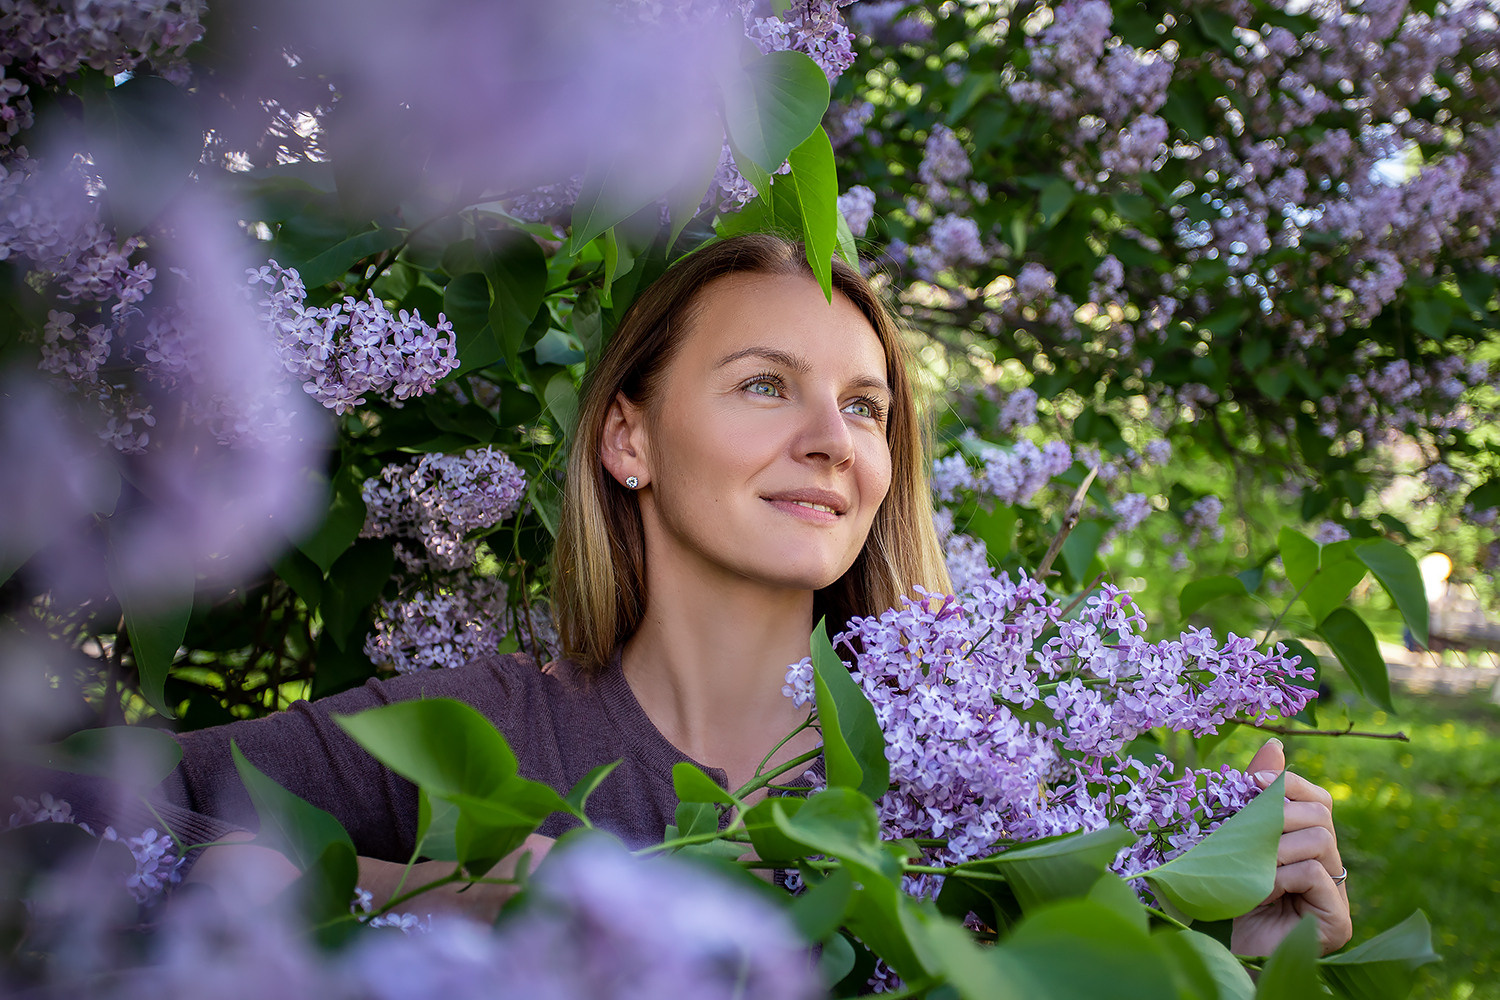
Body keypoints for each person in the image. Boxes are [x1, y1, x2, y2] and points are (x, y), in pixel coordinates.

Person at [24, 233, 1353, 956]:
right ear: (631, 439)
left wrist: (1234, 945)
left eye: (867, 406)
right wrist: (432, 888)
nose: (834, 438)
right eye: (766, 385)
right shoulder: (478, 739)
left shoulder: (982, 792)